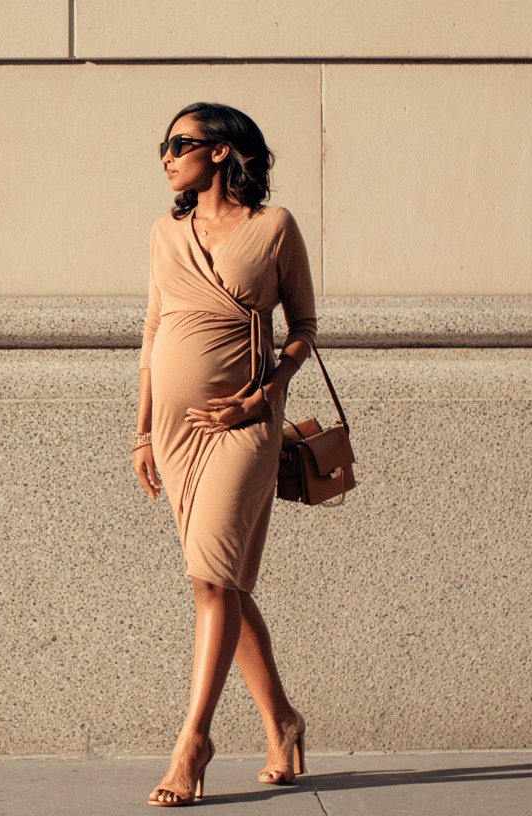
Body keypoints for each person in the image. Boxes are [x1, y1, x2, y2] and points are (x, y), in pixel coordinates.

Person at [133, 102, 317, 807]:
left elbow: (302, 327)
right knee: (223, 585)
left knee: (211, 580)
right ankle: (283, 721)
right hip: (176, 435)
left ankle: (193, 742)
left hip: (242, 427)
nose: (166, 156)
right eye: (164, 145)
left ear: (220, 152)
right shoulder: (163, 233)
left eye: (179, 143)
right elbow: (152, 336)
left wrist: (263, 395)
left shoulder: (274, 228)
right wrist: (142, 432)